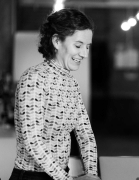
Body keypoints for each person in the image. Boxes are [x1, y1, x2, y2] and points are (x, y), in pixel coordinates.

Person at [9, 8, 100, 180]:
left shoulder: (71, 83)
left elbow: (85, 134)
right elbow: (32, 142)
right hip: (31, 177)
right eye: (78, 45)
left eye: (88, 47)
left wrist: (91, 175)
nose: (85, 54)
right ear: (57, 41)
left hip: (60, 175)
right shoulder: (33, 79)